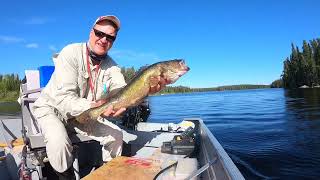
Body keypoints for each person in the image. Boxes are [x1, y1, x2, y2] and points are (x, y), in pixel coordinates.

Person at [32, 15, 166, 179]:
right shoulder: (70, 53)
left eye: (110, 37)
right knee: (59, 143)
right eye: (99, 33)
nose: (104, 39)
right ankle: (64, 176)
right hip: (53, 109)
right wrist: (96, 107)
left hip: (86, 114)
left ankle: (109, 173)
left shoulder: (112, 66)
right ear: (91, 33)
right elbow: (64, 98)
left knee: (117, 136)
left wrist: (144, 90)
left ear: (113, 41)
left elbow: (121, 90)